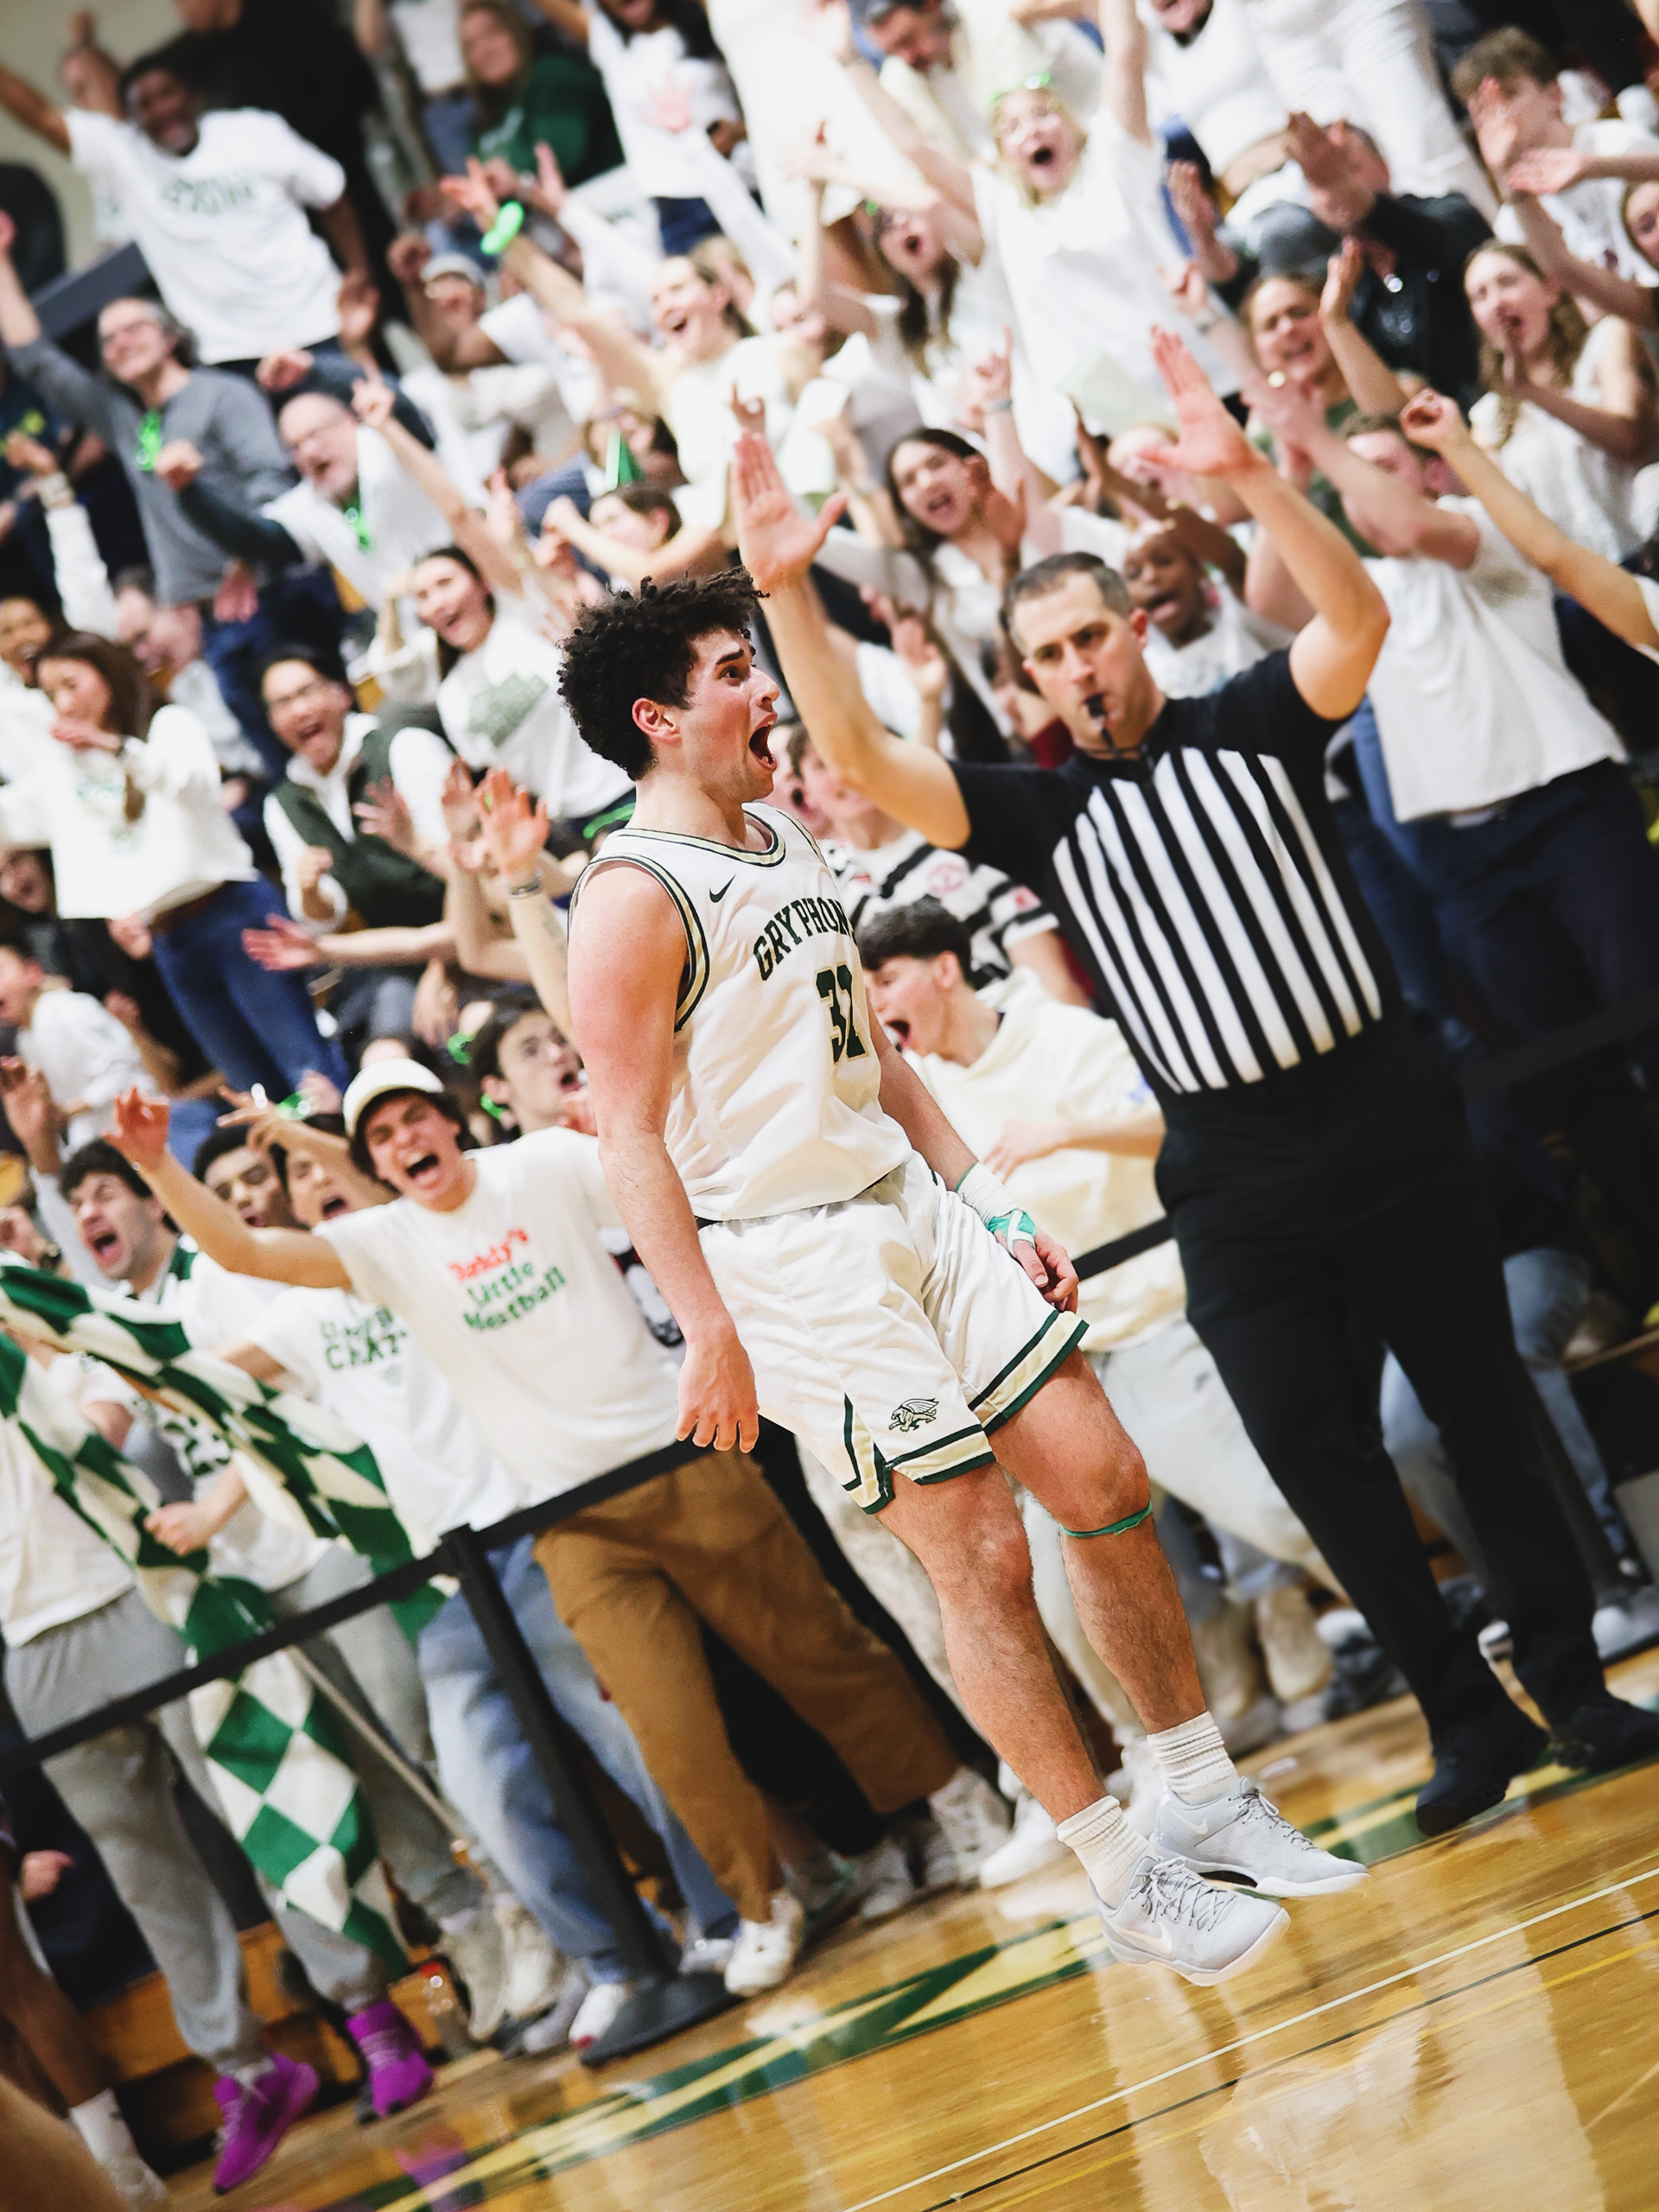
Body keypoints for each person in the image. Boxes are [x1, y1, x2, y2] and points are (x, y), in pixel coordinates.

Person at [742, 328, 1658, 1831]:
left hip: (1384, 1108)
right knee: (1318, 1453)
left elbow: (1353, 611)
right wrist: (786, 591)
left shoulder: (1251, 723)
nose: (1075, 669)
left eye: (1091, 638)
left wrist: (1251, 476)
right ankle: (1459, 1718)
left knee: (1483, 1414)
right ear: (1028, 677)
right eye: (1045, 657)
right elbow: (848, 744)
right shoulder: (1034, 813)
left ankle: (1570, 1684)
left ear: (1133, 633)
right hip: (1235, 1169)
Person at [550, 557, 1372, 1986]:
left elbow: (874, 1054)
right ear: (655, 718)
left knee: (1103, 1483)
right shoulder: (630, 894)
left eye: (758, 659)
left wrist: (987, 1203)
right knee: (979, 1558)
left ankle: (1204, 1796)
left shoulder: (784, 839)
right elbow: (625, 1135)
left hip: (913, 1203)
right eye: (733, 672)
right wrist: (706, 1330)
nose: (763, 689)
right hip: (798, 1261)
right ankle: (1117, 1869)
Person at [105, 1067, 1002, 2003]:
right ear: (375, 1163)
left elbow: (657, 1179)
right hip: (568, 1520)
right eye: (383, 1135)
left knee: (819, 1652)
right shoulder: (384, 1242)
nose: (406, 1139)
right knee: (667, 1731)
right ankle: (765, 1903)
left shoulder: (542, 1165)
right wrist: (158, 1164)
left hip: (681, 1454)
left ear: (454, 1124)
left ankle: (950, 1805)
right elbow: (246, 1252)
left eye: (418, 1116)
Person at [0, 632, 346, 1099]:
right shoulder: (68, 769)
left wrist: (114, 746)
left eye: (71, 684)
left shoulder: (168, 725)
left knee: (309, 1073)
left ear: (105, 672)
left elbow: (194, 784)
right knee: (254, 1094)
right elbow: (10, 817)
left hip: (231, 911)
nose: (63, 703)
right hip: (169, 941)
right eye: (51, 695)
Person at [0, 51, 366, 372]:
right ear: (129, 117)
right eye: (143, 105)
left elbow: (331, 193)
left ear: (190, 94)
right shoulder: (128, 157)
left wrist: (359, 272)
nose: (160, 109)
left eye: (167, 93)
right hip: (231, 354)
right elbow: (43, 117)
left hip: (322, 320)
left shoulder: (253, 131)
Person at [791, 728, 1088, 1002]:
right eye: (822, 763)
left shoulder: (965, 837)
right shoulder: (817, 882)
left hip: (1012, 1028)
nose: (844, 771)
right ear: (805, 791)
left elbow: (1049, 978)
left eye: (855, 752)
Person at [1452, 27, 1659, 286]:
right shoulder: (1513, 222)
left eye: (1510, 94)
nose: (1501, 113)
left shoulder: (1617, 143)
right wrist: (1505, 174)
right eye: (1485, 109)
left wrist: (1593, 167)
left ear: (1554, 94)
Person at [457, 0, 620, 182]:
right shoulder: (486, 118)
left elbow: (560, 159)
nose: (485, 50)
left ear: (516, 31)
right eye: (471, 45)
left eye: (492, 33)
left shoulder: (554, 75)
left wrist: (515, 182)